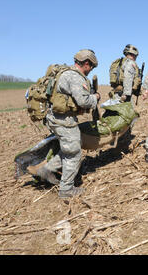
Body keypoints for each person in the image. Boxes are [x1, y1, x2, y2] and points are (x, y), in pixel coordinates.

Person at [36, 49, 100, 198]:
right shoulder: (75, 77)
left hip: (54, 118)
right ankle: (66, 189)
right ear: (86, 63)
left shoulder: (65, 73)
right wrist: (95, 97)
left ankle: (46, 171)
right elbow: (83, 101)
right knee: (74, 153)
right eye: (91, 66)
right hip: (64, 121)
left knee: (67, 149)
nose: (91, 70)